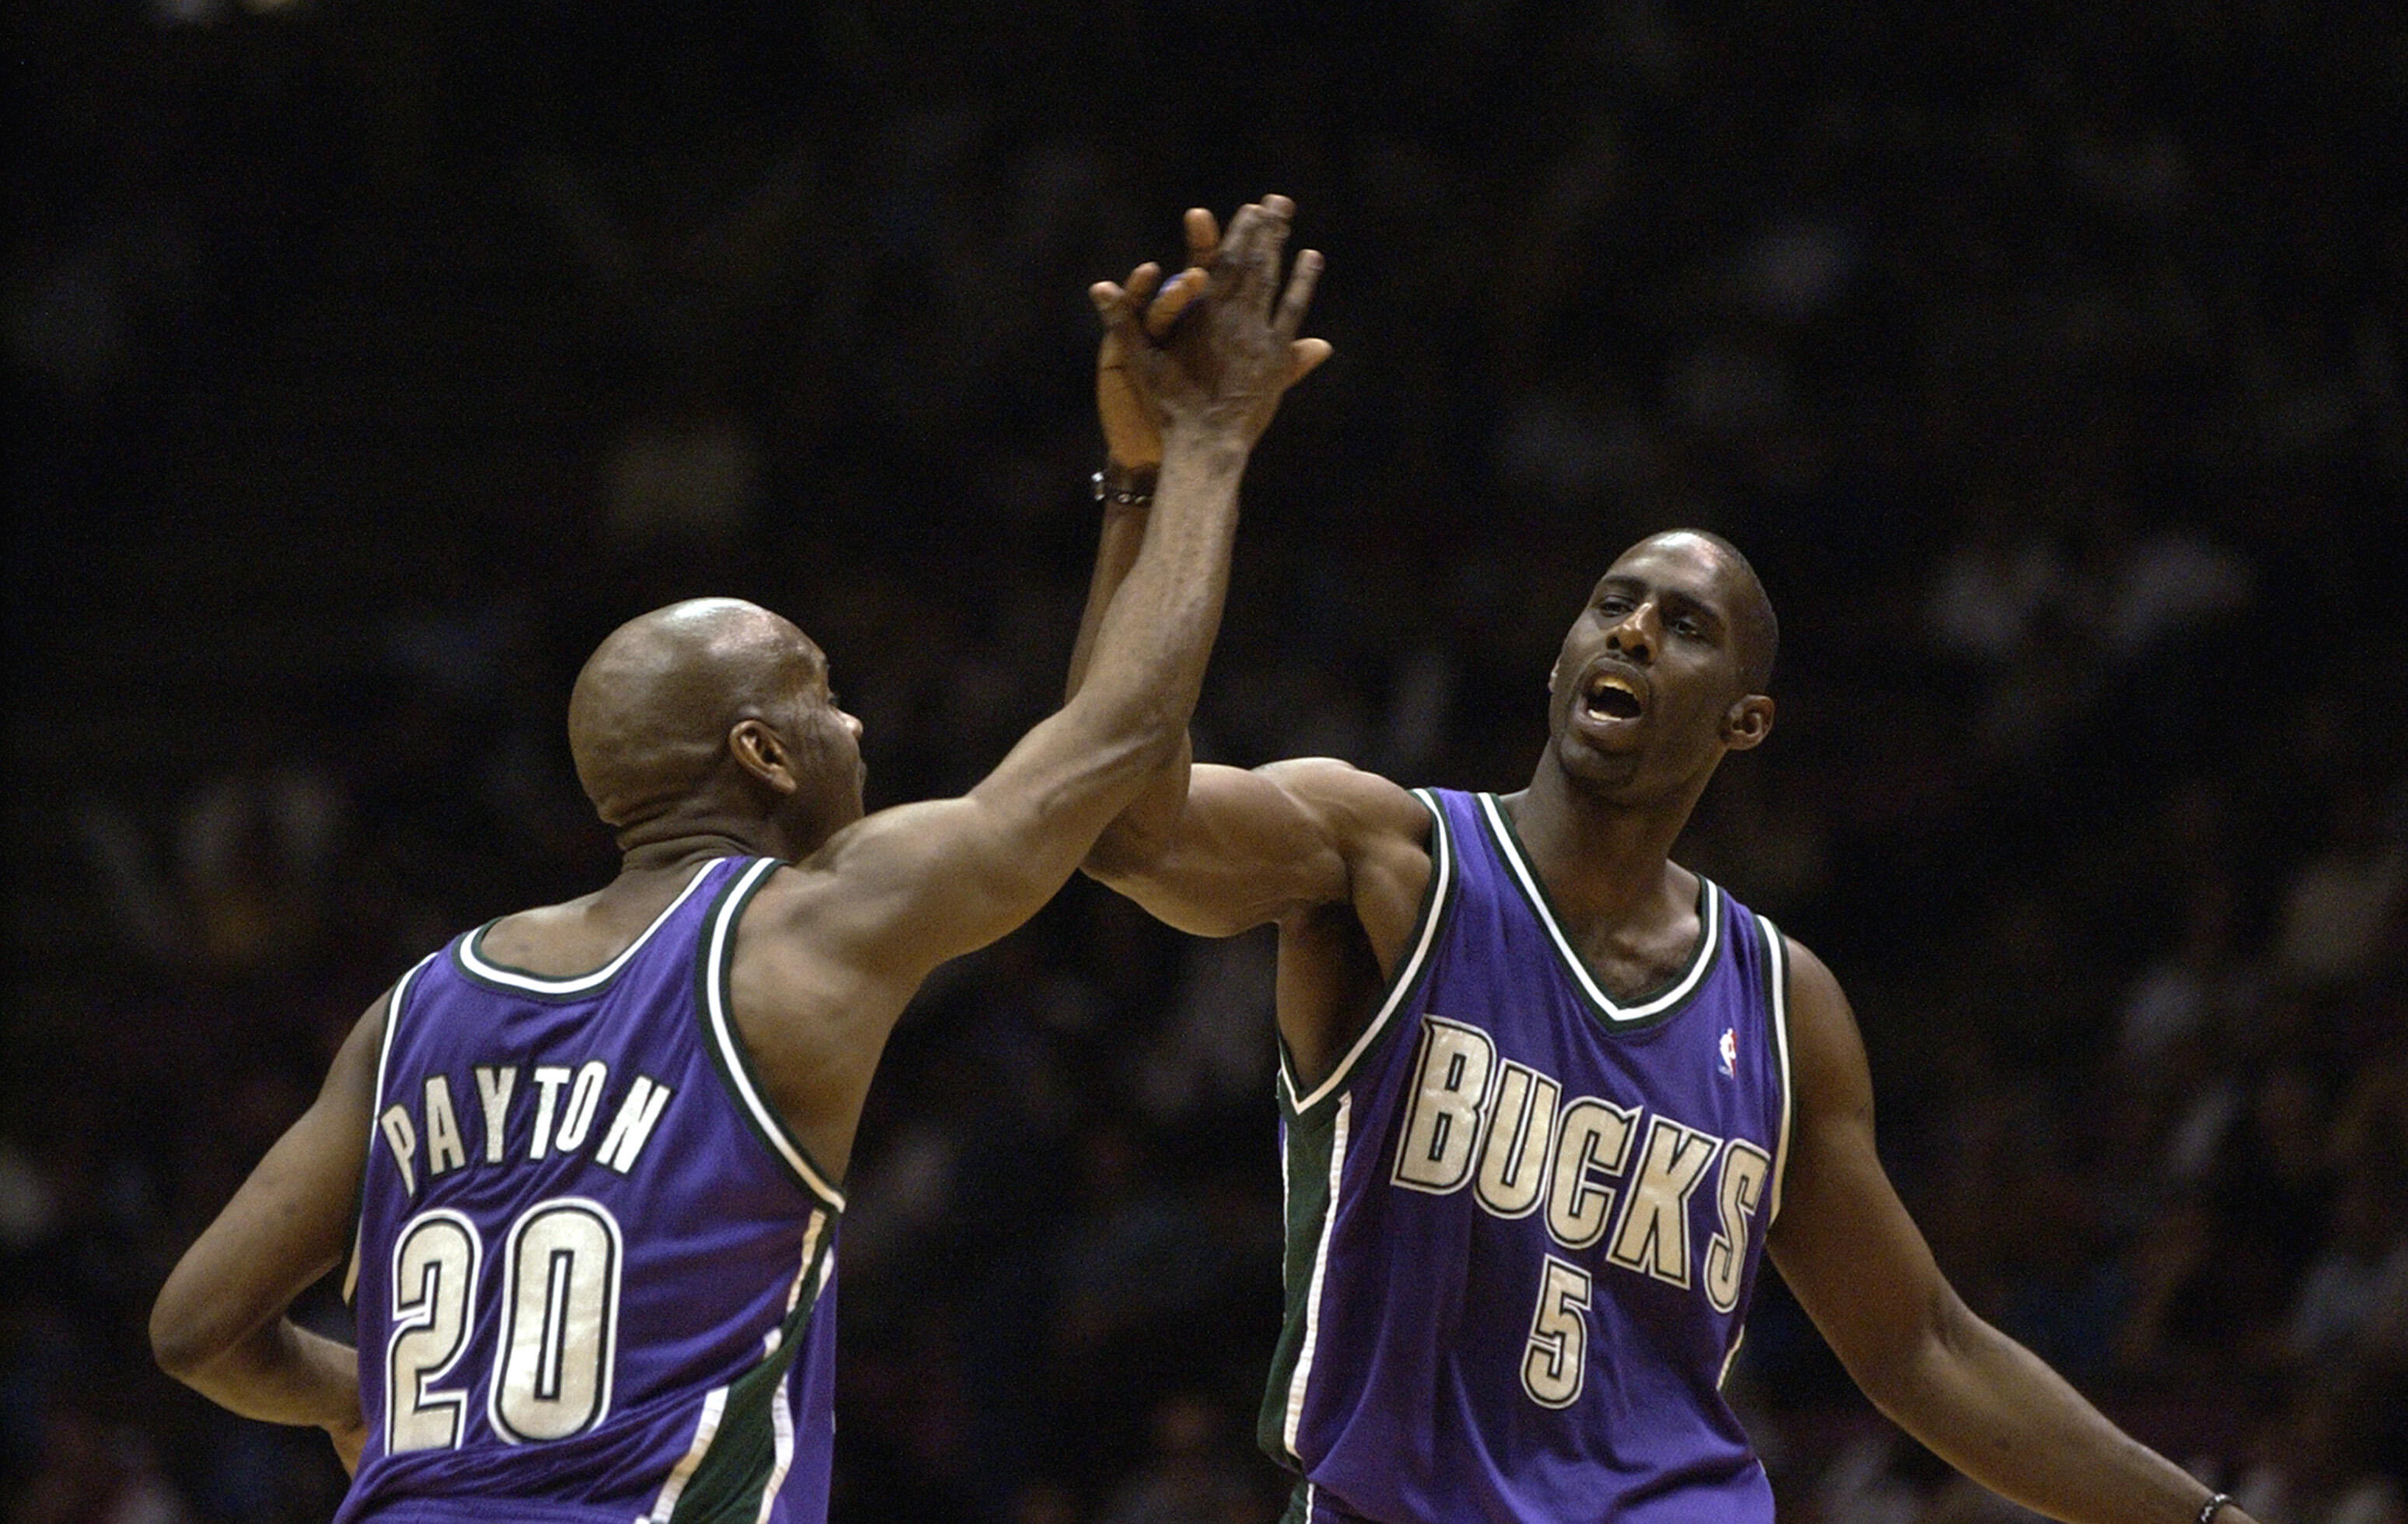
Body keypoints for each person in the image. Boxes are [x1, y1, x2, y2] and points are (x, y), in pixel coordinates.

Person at [148, 196, 1331, 1522]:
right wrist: (1204, 449)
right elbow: (1118, 738)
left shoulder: (414, 1008)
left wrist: (356, 1395)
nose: (859, 722)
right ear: (765, 755)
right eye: (825, 695)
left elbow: (199, 1329)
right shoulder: (802, 927)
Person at [1071, 211, 2263, 1524]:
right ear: (1559, 658)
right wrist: (1169, 475)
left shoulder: (1778, 998)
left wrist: (2203, 1521)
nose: (1632, 629)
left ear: (1741, 721)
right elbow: (1122, 825)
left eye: (1681, 626)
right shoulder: (1389, 858)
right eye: (1611, 604)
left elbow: (1917, 1345)